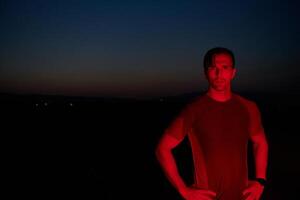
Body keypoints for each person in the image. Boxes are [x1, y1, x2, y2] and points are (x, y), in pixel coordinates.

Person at [155, 47, 269, 200]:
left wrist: (260, 181)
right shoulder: (194, 110)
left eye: (224, 67)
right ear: (205, 73)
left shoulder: (248, 107)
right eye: (213, 68)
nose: (219, 73)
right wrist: (184, 190)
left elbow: (260, 143)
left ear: (233, 72)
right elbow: (162, 149)